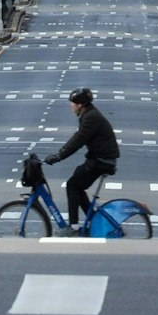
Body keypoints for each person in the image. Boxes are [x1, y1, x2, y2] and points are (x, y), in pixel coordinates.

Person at [45, 87, 119, 234]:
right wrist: (59, 155)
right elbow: (77, 137)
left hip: (102, 160)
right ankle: (93, 220)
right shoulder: (89, 115)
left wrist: (59, 156)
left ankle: (73, 227)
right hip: (99, 158)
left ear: (80, 105)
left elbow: (78, 140)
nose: (71, 106)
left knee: (72, 185)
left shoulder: (91, 117)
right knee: (77, 184)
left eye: (73, 103)